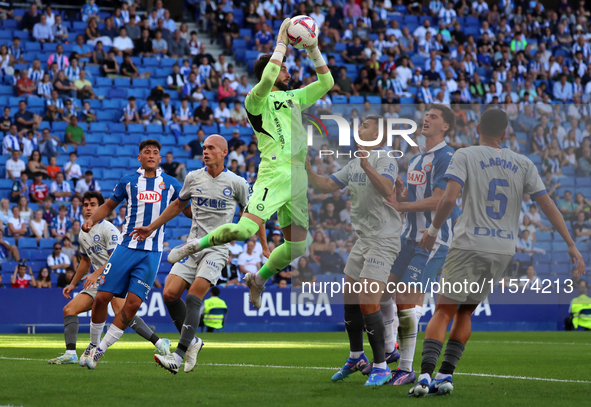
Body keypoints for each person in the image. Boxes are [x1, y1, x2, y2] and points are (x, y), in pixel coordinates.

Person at [410, 109, 585, 397]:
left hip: (468, 244)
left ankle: (426, 374)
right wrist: (570, 243)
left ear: (477, 127)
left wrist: (431, 231)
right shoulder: (524, 163)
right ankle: (446, 376)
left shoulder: (465, 155)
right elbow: (548, 205)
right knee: (466, 311)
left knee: (443, 310)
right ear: (505, 132)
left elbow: (449, 198)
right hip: (502, 250)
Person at [166, 19, 334, 313]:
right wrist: (281, 41)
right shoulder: (255, 100)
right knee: (244, 231)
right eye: (284, 68)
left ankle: (258, 278)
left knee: (298, 246)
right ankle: (194, 245)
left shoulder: (293, 98)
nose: (289, 72)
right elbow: (268, 78)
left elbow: (327, 82)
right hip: (274, 173)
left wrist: (314, 49)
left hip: (296, 179)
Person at [130, 135, 265, 374]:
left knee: (193, 297)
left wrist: (264, 246)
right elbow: (177, 206)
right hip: (191, 246)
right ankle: (192, 342)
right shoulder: (193, 178)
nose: (205, 151)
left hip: (217, 249)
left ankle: (178, 355)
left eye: (211, 148)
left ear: (224, 152)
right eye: (203, 148)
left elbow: (254, 214)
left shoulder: (237, 183)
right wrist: (151, 227)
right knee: (170, 294)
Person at [361, 105, 457, 384]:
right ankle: (390, 350)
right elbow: (413, 202)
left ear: (446, 127)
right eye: (426, 115)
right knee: (381, 295)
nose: (426, 119)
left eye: (434, 117)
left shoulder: (447, 157)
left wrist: (402, 203)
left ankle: (405, 368)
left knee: (404, 297)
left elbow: (440, 200)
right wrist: (401, 196)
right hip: (408, 237)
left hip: (433, 240)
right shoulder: (416, 160)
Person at [306, 116, 400, 386]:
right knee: (349, 297)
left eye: (365, 126)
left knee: (368, 301)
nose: (359, 129)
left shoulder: (385, 158)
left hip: (384, 237)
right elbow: (324, 186)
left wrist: (367, 163)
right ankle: (357, 356)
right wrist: (308, 168)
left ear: (379, 136)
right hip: (364, 238)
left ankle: (381, 366)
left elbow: (387, 189)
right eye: (359, 127)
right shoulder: (353, 162)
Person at [79, 140, 182, 370]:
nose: (152, 155)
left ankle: (99, 351)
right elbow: (108, 205)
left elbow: (185, 209)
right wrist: (92, 219)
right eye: (147, 152)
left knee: (132, 305)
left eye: (156, 152)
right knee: (102, 297)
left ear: (160, 158)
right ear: (139, 157)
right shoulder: (129, 181)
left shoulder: (171, 184)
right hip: (125, 249)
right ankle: (91, 344)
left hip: (151, 253)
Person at [48, 191, 171, 365]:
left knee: (124, 315)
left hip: (115, 277)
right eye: (86, 205)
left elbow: (115, 260)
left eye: (93, 205)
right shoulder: (84, 232)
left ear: (101, 208)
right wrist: (73, 283)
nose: (89, 208)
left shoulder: (109, 229)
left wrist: (96, 273)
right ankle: (70, 353)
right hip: (97, 280)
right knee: (69, 310)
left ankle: (158, 343)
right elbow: (85, 260)